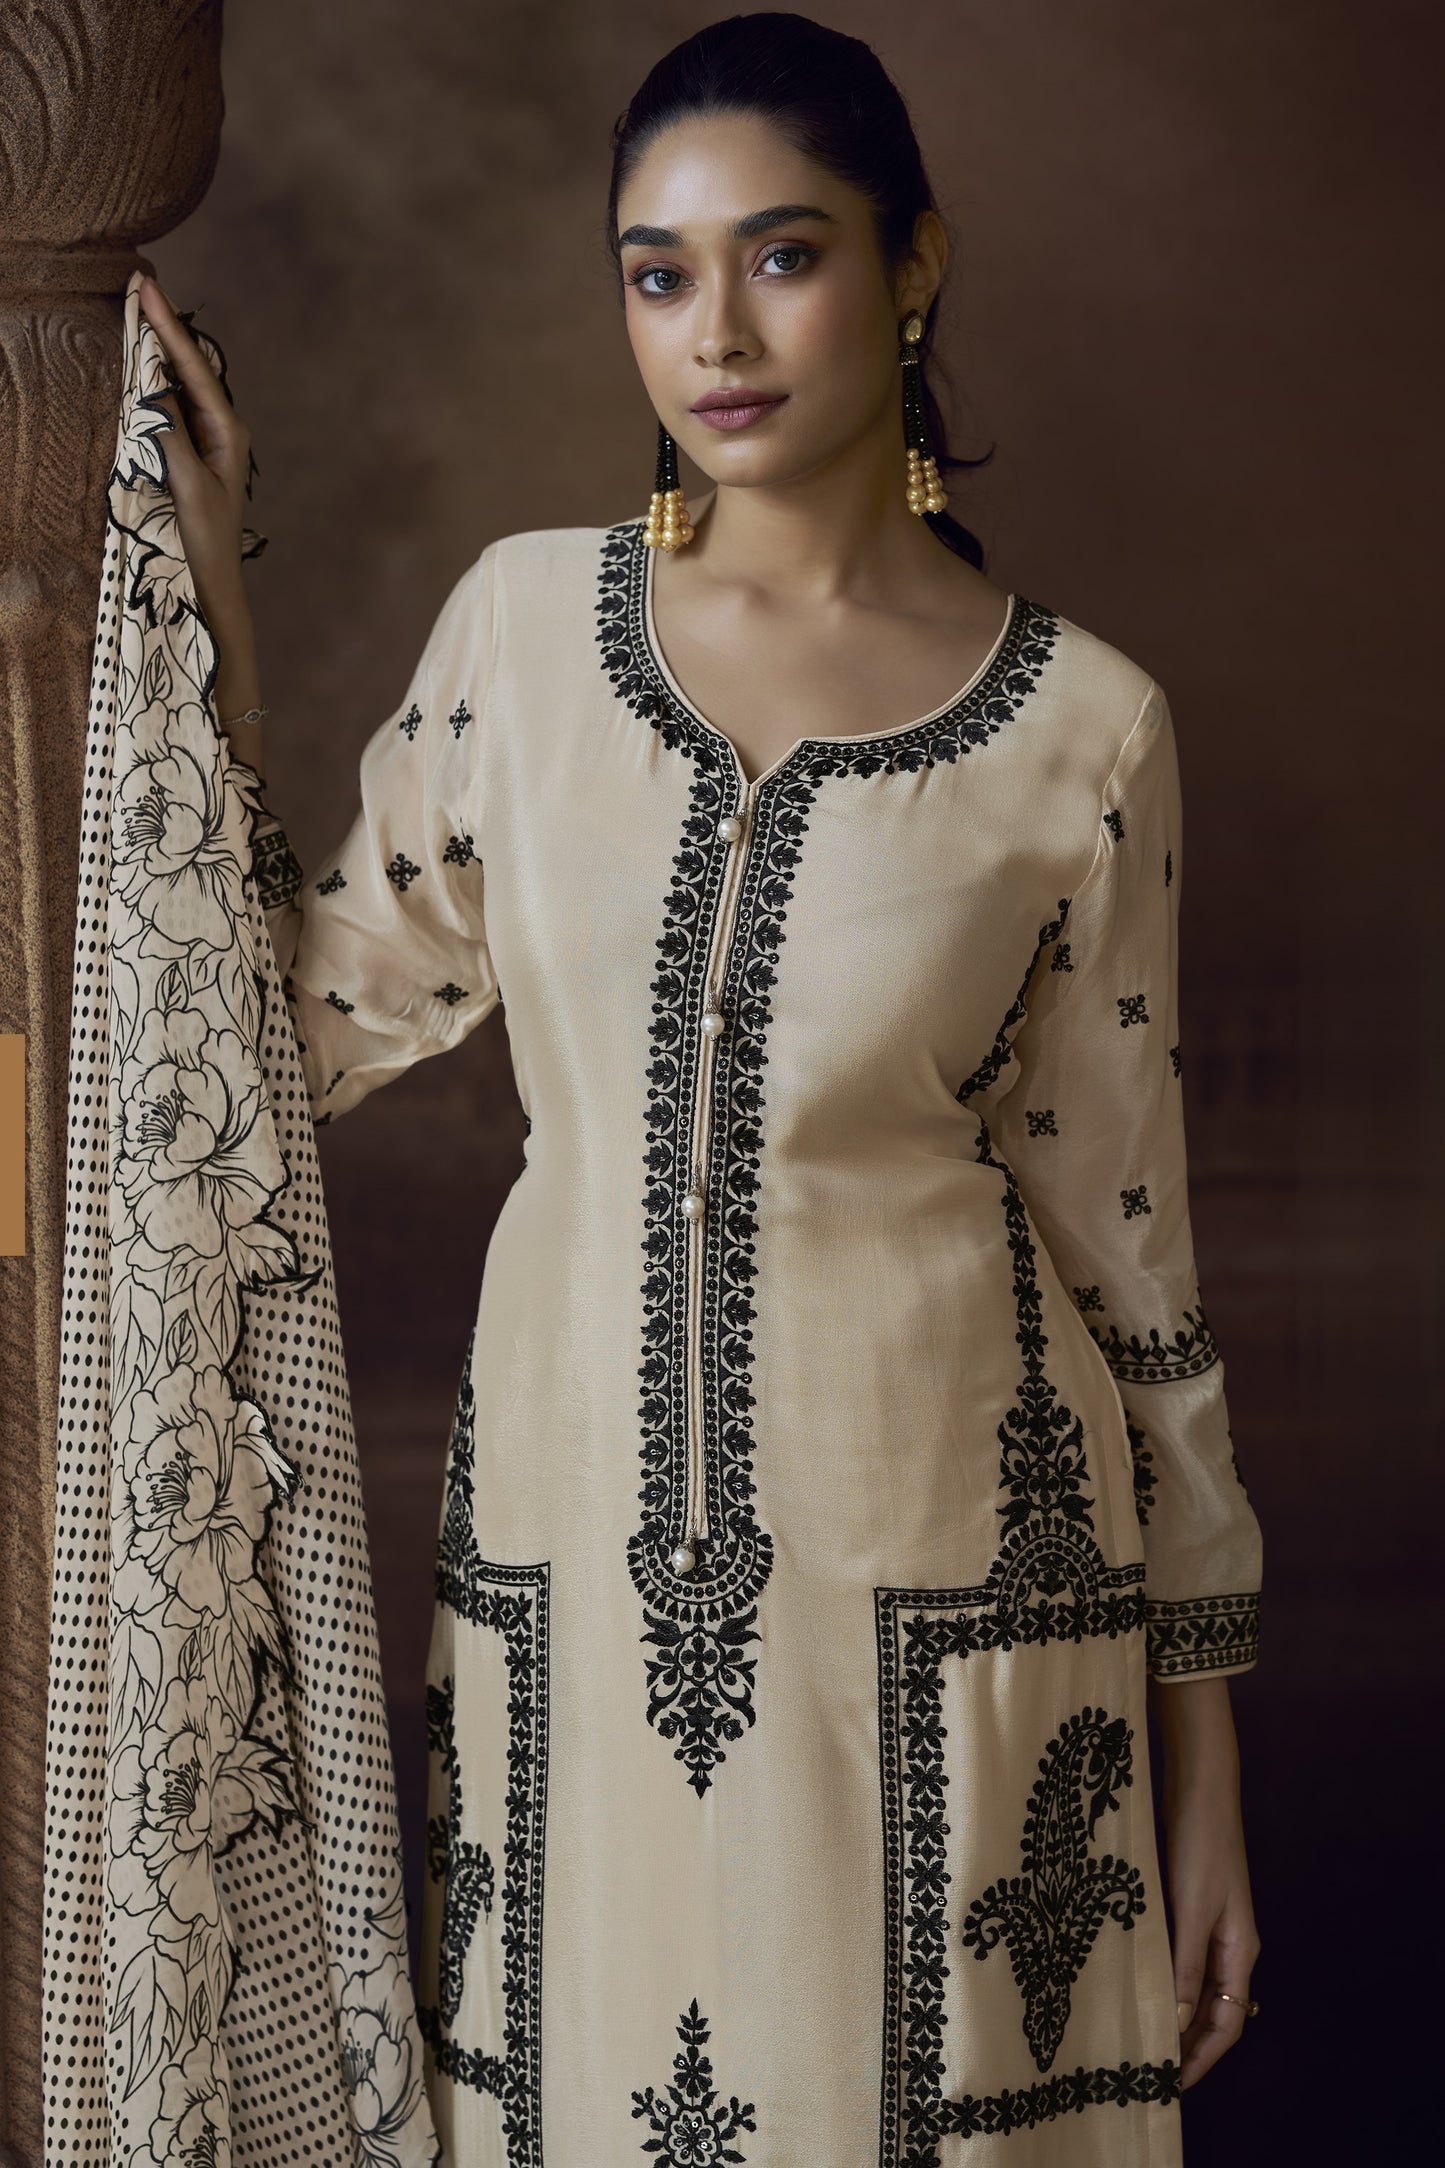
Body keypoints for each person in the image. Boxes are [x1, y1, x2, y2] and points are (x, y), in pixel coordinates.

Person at [137, 12, 1262, 2162]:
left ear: (913, 265)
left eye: (783, 256)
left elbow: (1137, 1262)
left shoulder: (1082, 730)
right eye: (658, 274)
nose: (715, 334)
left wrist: (1204, 1771)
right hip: (574, 1549)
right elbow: (284, 1034)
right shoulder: (525, 632)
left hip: (956, 1569)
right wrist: (219, 645)